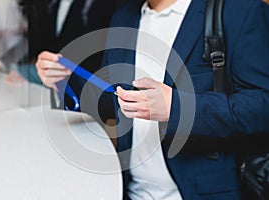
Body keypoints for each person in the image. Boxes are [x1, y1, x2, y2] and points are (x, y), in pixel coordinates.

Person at [36, 0, 269, 199]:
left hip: (203, 191)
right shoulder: (125, 15)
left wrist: (176, 107)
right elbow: (113, 102)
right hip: (131, 189)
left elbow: (262, 107)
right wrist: (66, 80)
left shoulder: (239, 10)